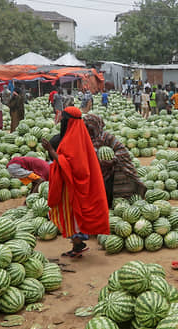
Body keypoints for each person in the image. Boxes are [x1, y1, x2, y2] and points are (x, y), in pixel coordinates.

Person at [40, 107, 110, 258]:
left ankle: (79, 244)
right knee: (72, 216)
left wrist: (51, 150)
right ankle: (77, 245)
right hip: (70, 183)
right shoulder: (78, 135)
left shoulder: (73, 139)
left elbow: (70, 165)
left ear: (68, 121)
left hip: (73, 185)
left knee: (72, 215)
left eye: (64, 119)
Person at [84, 113, 146, 206]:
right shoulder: (82, 138)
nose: (88, 129)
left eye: (90, 127)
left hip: (108, 174)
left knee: (106, 196)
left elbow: (122, 150)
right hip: (90, 175)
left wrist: (113, 160)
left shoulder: (106, 137)